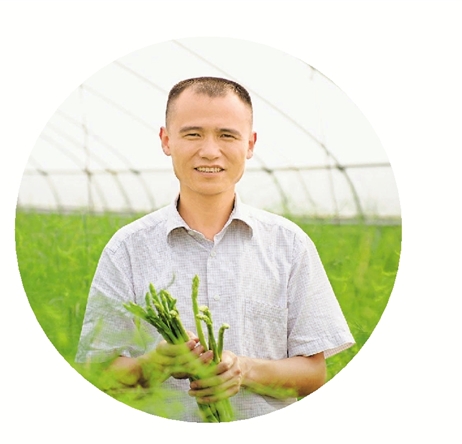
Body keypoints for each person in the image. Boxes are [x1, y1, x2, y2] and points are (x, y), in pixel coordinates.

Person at [75, 76, 355, 422]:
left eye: (227, 135)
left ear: (250, 144)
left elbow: (313, 374)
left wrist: (244, 370)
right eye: (193, 134)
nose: (209, 151)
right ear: (166, 140)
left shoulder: (289, 244)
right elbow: (97, 371)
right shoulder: (127, 249)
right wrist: (154, 365)